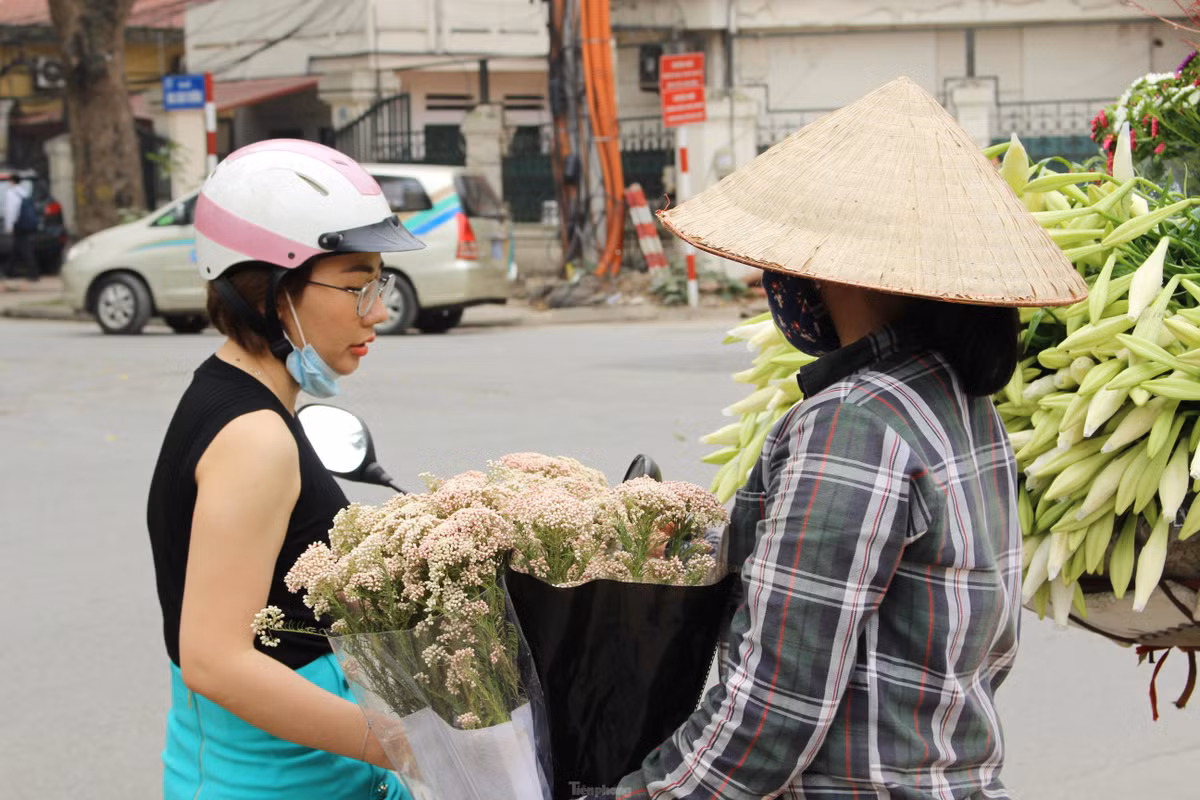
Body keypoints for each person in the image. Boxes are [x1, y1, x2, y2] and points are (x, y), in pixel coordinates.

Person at [611, 78, 1088, 798]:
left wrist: (639, 794)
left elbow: (772, 716)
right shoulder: (958, 403)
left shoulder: (853, 427)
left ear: (827, 267)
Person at [146, 139, 426, 799]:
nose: (378, 311)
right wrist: (402, 745)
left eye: (378, 283)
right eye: (357, 285)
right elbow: (214, 661)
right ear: (272, 293)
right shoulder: (254, 439)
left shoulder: (236, 399)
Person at [3, 173, 35, 284]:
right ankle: (8, 271)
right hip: (25, 224)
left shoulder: (11, 193)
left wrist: (10, 226)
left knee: (23, 248)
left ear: (12, 181)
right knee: (17, 248)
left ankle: (33, 273)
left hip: (18, 225)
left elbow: (12, 211)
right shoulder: (23, 192)